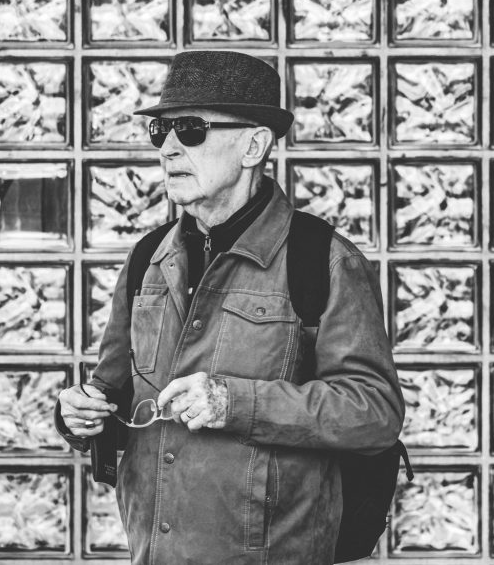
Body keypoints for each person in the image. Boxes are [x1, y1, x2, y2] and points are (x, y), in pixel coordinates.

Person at [54, 51, 405, 564]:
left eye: (191, 129)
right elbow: (115, 392)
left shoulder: (322, 259)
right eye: (161, 131)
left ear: (254, 145)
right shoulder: (148, 257)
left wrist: (233, 403)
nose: (168, 148)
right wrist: (81, 414)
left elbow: (374, 412)